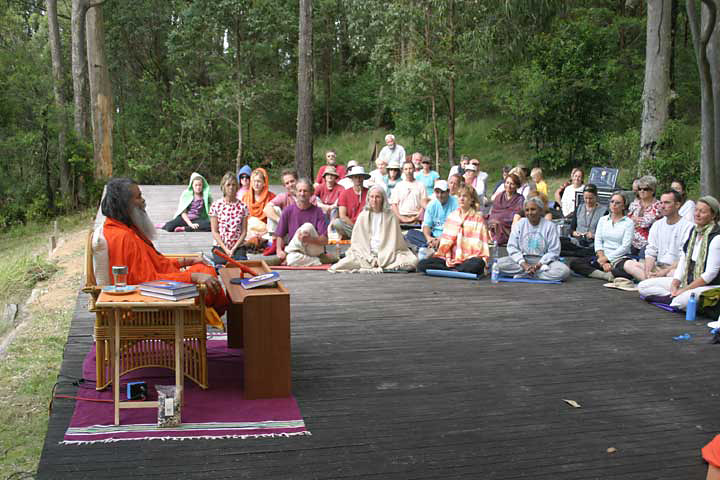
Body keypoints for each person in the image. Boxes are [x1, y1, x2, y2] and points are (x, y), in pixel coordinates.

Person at [101, 178, 227, 320]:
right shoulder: (122, 237)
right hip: (152, 300)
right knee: (207, 275)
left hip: (158, 288)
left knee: (203, 267)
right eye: (138, 197)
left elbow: (155, 263)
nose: (143, 201)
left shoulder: (124, 228)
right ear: (124, 204)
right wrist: (193, 277)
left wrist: (186, 261)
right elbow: (146, 281)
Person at [637, 196, 720, 310]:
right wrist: (675, 284)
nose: (697, 214)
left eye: (703, 212)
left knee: (682, 301)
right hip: (687, 280)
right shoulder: (694, 232)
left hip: (707, 285)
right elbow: (683, 260)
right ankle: (672, 298)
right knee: (643, 286)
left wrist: (685, 290)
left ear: (713, 215)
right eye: (696, 210)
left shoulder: (716, 238)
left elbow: (710, 274)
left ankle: (672, 299)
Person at [329, 186, 418, 273]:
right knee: (342, 264)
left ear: (383, 199)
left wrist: (383, 255)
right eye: (372, 197)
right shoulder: (363, 215)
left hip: (387, 252)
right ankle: (379, 264)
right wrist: (370, 257)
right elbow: (358, 242)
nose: (374, 200)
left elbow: (394, 242)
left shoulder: (390, 215)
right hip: (366, 253)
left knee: (412, 261)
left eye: (377, 197)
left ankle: (382, 263)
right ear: (368, 199)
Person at [416, 185, 491, 276]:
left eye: (465, 196)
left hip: (469, 258)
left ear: (471, 200)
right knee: (422, 265)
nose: (461, 199)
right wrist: (447, 257)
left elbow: (480, 246)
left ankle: (454, 269)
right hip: (450, 258)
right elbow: (445, 242)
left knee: (477, 264)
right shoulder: (452, 216)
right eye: (459, 196)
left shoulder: (478, 219)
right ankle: (456, 269)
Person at [623, 190, 693, 282]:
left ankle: (651, 282)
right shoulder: (657, 225)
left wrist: (664, 272)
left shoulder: (688, 227)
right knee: (628, 264)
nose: (662, 206)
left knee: (674, 274)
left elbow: (684, 257)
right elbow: (651, 251)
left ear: (677, 205)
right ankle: (652, 281)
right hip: (658, 267)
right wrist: (648, 271)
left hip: (674, 269)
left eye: (667, 203)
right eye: (661, 203)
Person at [496, 197, 571, 281]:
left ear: (540, 210)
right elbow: (512, 247)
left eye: (533, 209)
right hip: (523, 260)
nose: (530, 213)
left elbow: (554, 251)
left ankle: (528, 274)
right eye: (527, 210)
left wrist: (539, 265)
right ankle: (532, 273)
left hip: (544, 262)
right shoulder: (520, 224)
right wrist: (524, 264)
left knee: (564, 271)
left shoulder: (549, 226)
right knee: (497, 265)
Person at [569, 192, 634, 281]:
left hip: (619, 258)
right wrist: (603, 260)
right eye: (612, 202)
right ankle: (605, 275)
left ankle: (604, 272)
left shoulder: (628, 223)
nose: (614, 205)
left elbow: (625, 247)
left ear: (623, 206)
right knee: (575, 263)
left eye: (617, 203)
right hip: (602, 256)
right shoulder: (603, 220)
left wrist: (607, 259)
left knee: (627, 272)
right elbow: (598, 241)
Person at [275, 179, 332, 266]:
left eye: (305, 191)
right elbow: (280, 234)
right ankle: (319, 261)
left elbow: (325, 240)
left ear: (311, 193)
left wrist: (309, 239)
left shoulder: (318, 211)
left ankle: (287, 252)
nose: (302, 194)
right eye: (300, 191)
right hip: (297, 251)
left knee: (307, 227)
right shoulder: (288, 211)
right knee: (291, 260)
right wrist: (279, 250)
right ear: (295, 193)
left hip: (314, 248)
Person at [405, 180, 458, 250]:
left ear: (448, 192)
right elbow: (426, 225)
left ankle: (430, 247)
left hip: (449, 236)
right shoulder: (432, 204)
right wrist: (428, 238)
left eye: (442, 192)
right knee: (410, 234)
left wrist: (441, 239)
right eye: (437, 192)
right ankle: (432, 245)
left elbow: (456, 228)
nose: (440, 195)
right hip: (434, 236)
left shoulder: (456, 203)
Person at [209, 172, 249, 265]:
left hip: (238, 246)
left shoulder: (243, 206)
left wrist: (234, 248)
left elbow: (244, 232)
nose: (231, 187)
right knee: (222, 265)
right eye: (228, 185)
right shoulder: (216, 205)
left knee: (240, 264)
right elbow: (214, 231)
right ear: (223, 187)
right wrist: (226, 249)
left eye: (234, 185)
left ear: (237, 187)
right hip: (220, 246)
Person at [559, 184, 607, 257]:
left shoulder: (604, 211)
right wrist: (574, 233)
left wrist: (593, 236)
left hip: (593, 244)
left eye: (591, 198)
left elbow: (606, 234)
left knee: (588, 251)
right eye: (585, 198)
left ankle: (578, 254)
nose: (588, 201)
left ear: (596, 197)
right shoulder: (579, 208)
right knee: (559, 241)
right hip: (577, 241)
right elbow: (571, 229)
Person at [264, 169, 316, 236]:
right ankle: (273, 240)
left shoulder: (309, 196)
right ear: (284, 186)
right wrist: (280, 220)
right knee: (275, 209)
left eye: (292, 181)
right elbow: (266, 209)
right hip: (287, 231)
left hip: (305, 232)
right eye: (287, 183)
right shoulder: (284, 196)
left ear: (297, 180)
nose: (290, 185)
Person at [627, 175, 662, 256]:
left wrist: (634, 219)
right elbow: (627, 220)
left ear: (653, 190)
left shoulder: (658, 206)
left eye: (645, 189)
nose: (642, 191)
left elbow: (646, 223)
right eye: (639, 189)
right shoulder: (635, 203)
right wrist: (635, 220)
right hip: (631, 240)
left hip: (649, 243)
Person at [332, 166, 370, 239]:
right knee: (337, 222)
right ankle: (358, 236)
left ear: (364, 178)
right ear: (352, 178)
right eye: (355, 177)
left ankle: (355, 236)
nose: (358, 179)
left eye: (360, 177)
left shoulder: (369, 193)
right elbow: (342, 216)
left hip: (366, 226)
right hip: (351, 226)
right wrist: (355, 227)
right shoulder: (345, 193)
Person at [488, 173, 525, 246]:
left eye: (512, 184)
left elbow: (516, 213)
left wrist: (500, 217)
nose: (509, 186)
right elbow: (494, 211)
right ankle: (489, 238)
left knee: (499, 221)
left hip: (508, 223)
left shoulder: (520, 199)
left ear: (516, 186)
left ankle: (498, 239)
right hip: (495, 219)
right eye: (507, 183)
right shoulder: (499, 196)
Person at [242, 168, 275, 243]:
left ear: (264, 183)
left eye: (259, 181)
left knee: (272, 237)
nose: (256, 184)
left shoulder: (271, 197)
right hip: (249, 230)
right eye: (254, 181)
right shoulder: (245, 197)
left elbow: (273, 221)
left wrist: (264, 232)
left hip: (266, 230)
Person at [390, 160, 428, 224]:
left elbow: (424, 204)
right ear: (403, 171)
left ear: (414, 169)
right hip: (401, 218)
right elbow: (394, 204)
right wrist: (401, 218)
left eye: (410, 168)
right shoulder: (399, 185)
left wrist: (417, 216)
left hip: (416, 218)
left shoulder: (421, 185)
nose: (408, 171)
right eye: (406, 169)